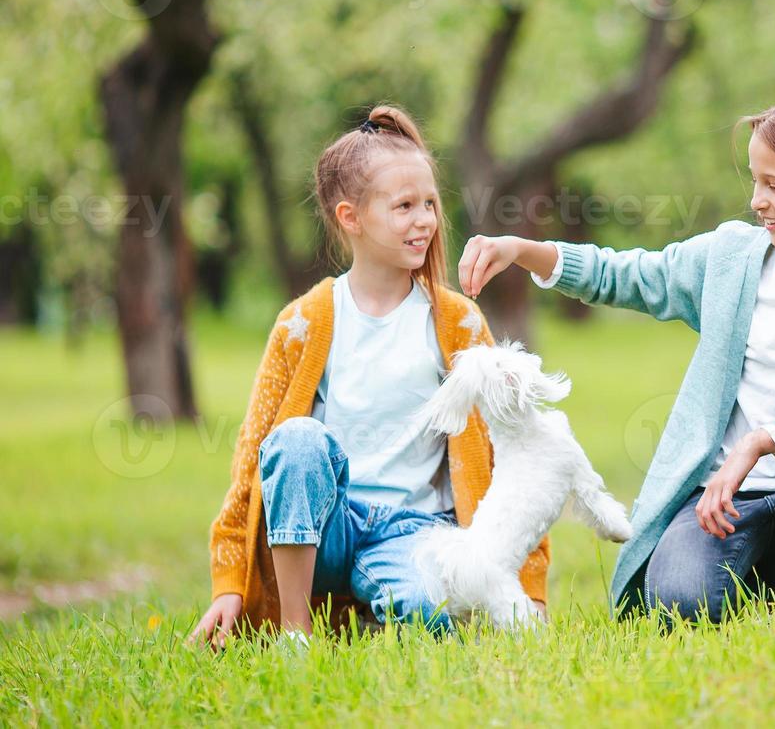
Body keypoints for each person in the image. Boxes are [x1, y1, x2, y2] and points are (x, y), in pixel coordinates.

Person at [459, 88, 775, 623]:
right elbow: (628, 274)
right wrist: (523, 251)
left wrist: (763, 441)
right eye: (756, 181)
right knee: (679, 604)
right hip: (725, 504)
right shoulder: (730, 258)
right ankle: (768, 587)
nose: (758, 199)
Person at [189, 104, 549, 646]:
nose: (425, 219)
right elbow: (252, 458)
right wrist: (228, 584)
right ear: (350, 218)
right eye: (404, 206)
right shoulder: (302, 323)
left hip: (415, 531)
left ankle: (376, 607)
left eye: (429, 203)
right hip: (327, 526)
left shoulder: (456, 323)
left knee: (428, 623)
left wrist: (531, 590)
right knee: (295, 440)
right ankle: (296, 633)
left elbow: (513, 453)